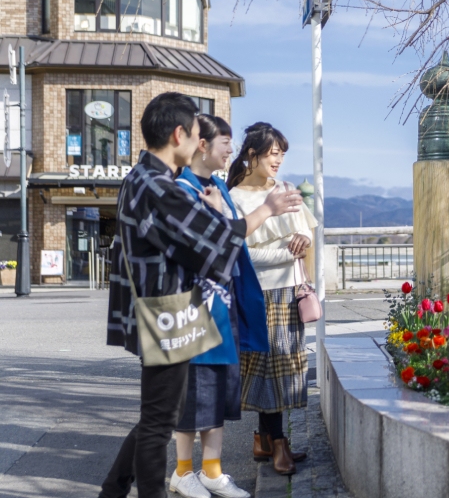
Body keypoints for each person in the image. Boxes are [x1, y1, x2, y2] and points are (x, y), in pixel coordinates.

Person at [100, 94, 303, 498]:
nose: (201, 143)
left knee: (158, 416)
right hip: (169, 313)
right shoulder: (160, 187)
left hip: (161, 311)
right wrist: (267, 209)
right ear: (179, 135)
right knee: (160, 421)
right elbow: (217, 239)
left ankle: (112, 489)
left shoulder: (139, 179)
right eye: (197, 134)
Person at [171, 115, 267, 498]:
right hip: (193, 306)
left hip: (220, 306)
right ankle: (182, 472)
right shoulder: (181, 188)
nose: (231, 149)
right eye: (224, 141)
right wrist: (259, 212)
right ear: (201, 145)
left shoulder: (215, 187)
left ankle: (212, 470)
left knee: (220, 389)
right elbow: (212, 244)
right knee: (193, 391)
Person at [227, 123, 317, 475]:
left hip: (290, 292)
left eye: (282, 153)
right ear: (252, 155)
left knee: (285, 366)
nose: (278, 159)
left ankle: (266, 441)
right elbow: (241, 253)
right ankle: (277, 443)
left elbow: (306, 230)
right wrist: (286, 251)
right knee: (269, 368)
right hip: (259, 293)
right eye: (272, 152)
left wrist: (303, 242)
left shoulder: (286, 189)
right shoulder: (235, 198)